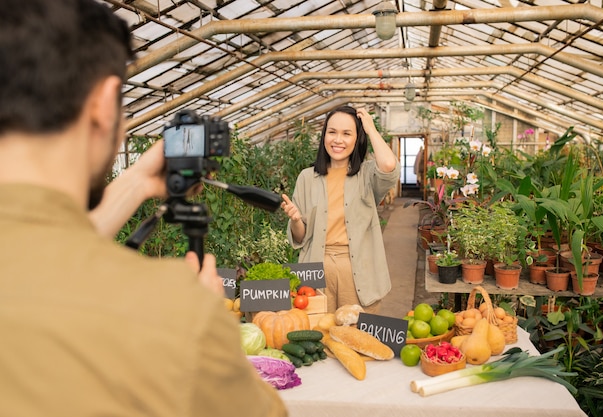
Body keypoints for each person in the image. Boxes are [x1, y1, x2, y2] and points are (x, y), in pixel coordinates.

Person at [0, 1, 286, 416]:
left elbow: (41, 249)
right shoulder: (171, 313)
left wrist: (136, 182)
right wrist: (211, 330)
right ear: (103, 105)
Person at [281, 105, 400, 314]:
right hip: (316, 270)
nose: (338, 140)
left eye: (347, 134)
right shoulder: (307, 178)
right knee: (318, 338)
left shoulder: (367, 175)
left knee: (357, 337)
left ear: (357, 139)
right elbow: (300, 237)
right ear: (324, 135)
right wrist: (296, 220)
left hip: (358, 272)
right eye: (332, 132)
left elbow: (389, 165)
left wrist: (370, 128)